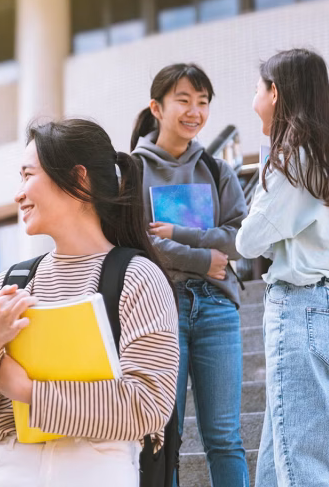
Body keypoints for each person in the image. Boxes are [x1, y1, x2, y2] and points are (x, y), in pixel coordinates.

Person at [0, 118, 179, 487]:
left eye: (27, 176)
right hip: (9, 468)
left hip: (99, 468)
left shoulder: (137, 277)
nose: (18, 194)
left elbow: (149, 404)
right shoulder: (10, 283)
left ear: (78, 179)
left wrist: (28, 392)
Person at [237, 48, 329, 487]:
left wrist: (269, 156)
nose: (253, 101)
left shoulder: (294, 161)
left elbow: (248, 240)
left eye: (257, 90)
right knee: (277, 470)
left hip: (300, 312)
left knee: (304, 471)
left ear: (275, 93)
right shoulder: (327, 160)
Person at [130, 63, 249, 486]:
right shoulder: (132, 172)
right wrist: (204, 258)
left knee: (225, 437)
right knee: (165, 434)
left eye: (202, 102)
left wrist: (180, 235)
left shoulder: (218, 172)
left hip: (218, 310)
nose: (194, 111)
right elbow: (140, 245)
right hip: (162, 309)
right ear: (156, 108)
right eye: (183, 100)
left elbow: (240, 240)